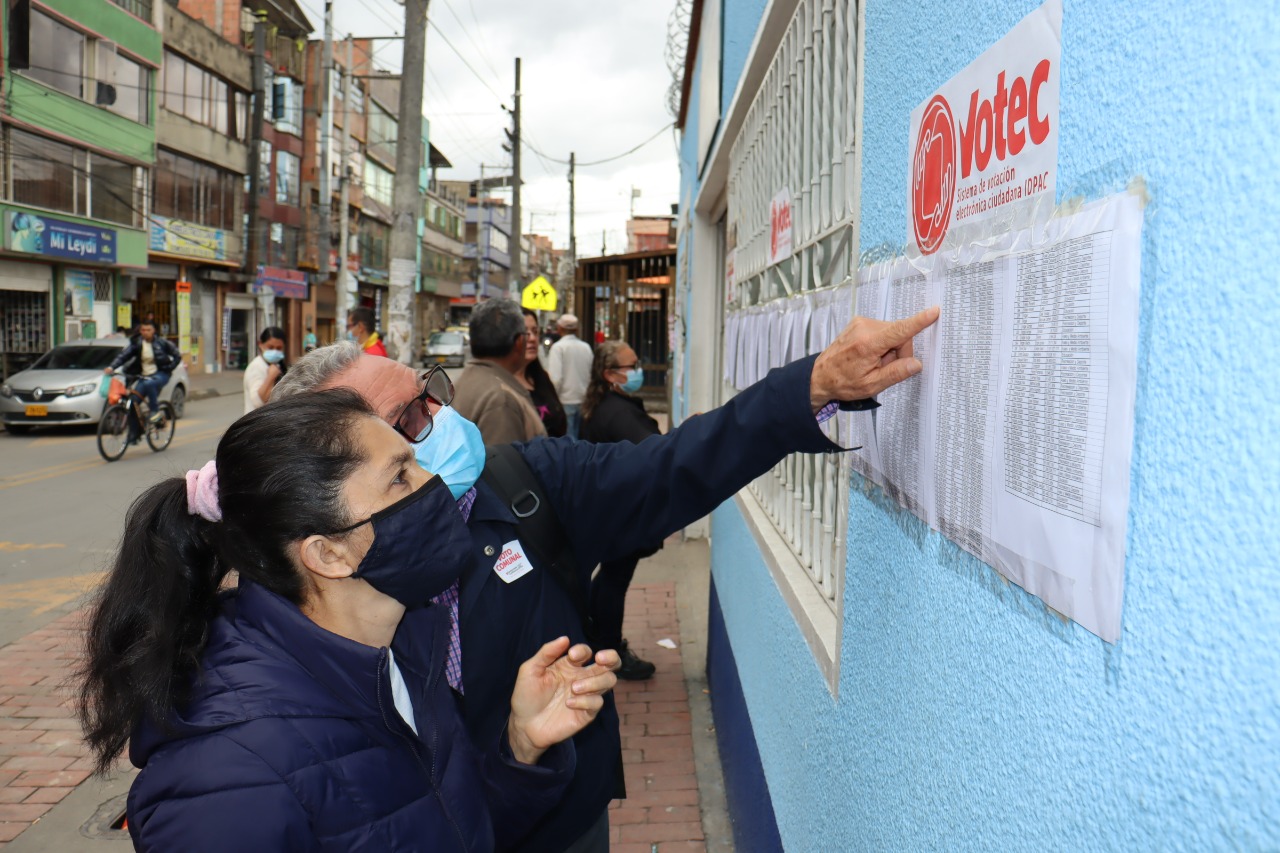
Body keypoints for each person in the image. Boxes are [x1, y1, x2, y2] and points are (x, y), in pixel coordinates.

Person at [272, 305, 940, 852]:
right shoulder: (303, 604)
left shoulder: (524, 483)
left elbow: (676, 465)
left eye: (431, 393)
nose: (441, 418)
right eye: (409, 421)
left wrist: (813, 384)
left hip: (563, 818)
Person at [77, 390, 620, 851]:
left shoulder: (399, 653)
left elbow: (445, 827)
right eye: (401, 477)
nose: (436, 482)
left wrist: (521, 748)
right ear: (328, 555)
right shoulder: (228, 779)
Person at [579, 341, 662, 680]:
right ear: (610, 374)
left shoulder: (608, 405)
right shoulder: (617, 412)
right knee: (615, 579)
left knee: (611, 577)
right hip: (621, 510)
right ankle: (608, 649)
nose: (638, 370)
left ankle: (599, 639)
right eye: (631, 366)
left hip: (609, 507)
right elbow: (652, 453)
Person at [451, 299, 547, 445]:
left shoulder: (461, 382)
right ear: (520, 342)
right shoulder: (502, 400)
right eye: (527, 334)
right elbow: (503, 465)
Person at [102, 319, 180, 425]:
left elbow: (177, 356)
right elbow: (123, 356)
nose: (145, 332)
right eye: (143, 330)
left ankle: (155, 413)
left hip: (160, 374)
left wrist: (169, 367)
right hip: (143, 376)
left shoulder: (162, 343)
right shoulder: (137, 343)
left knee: (150, 383)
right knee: (134, 404)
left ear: (154, 331)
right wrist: (111, 367)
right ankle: (133, 436)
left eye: (148, 330)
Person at [517, 309, 567, 438]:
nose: (532, 338)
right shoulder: (501, 384)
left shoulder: (541, 377)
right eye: (525, 332)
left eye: (535, 331)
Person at [546, 314, 593, 439]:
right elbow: (591, 374)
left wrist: (552, 400)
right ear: (577, 329)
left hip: (565, 400)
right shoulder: (586, 347)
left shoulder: (558, 348)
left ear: (559, 328)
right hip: (584, 400)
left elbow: (555, 379)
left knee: (569, 440)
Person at [242, 326, 287, 414]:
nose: (275, 351)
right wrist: (271, 377)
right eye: (270, 347)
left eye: (279, 348)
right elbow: (258, 402)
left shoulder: (275, 365)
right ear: (261, 345)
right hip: (256, 423)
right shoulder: (256, 367)